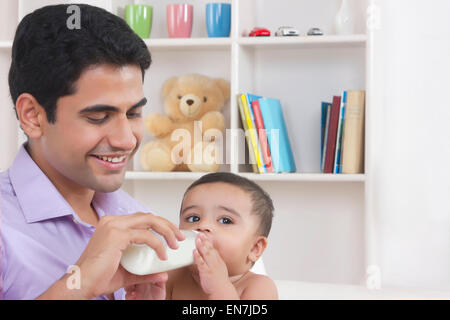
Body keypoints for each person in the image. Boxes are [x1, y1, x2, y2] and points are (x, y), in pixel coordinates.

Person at [0, 4, 185, 300]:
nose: (126, 140)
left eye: (134, 113)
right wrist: (79, 283)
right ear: (33, 116)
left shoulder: (140, 219)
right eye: (98, 117)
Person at [154, 172, 278, 300]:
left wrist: (220, 288)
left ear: (255, 248)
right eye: (193, 218)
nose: (202, 225)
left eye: (225, 220)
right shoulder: (173, 277)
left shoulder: (259, 287)